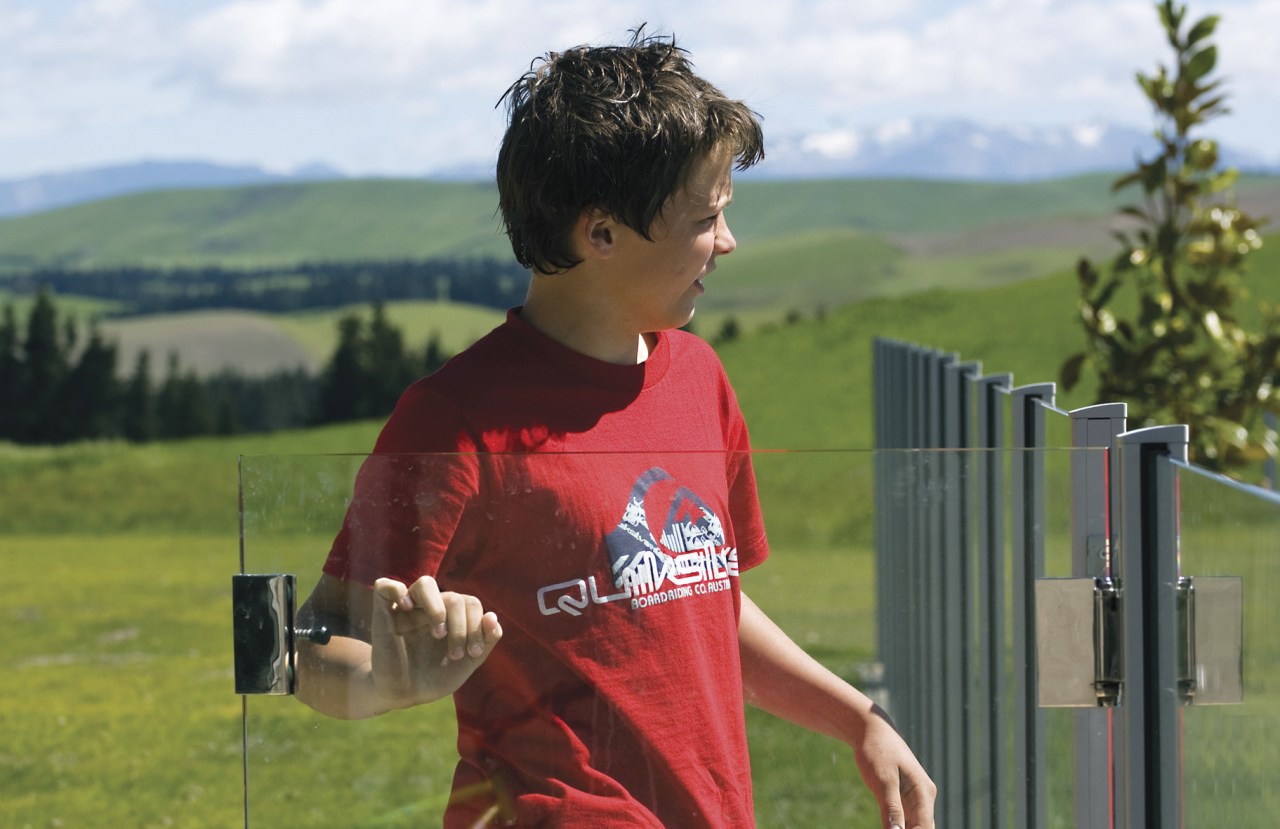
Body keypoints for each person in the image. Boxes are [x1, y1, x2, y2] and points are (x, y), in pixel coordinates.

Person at [295, 29, 935, 829]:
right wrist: (396, 678)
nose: (728, 243)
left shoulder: (700, 378)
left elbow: (702, 601)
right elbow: (314, 642)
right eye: (706, 217)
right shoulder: (455, 418)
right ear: (598, 234)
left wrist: (857, 718)